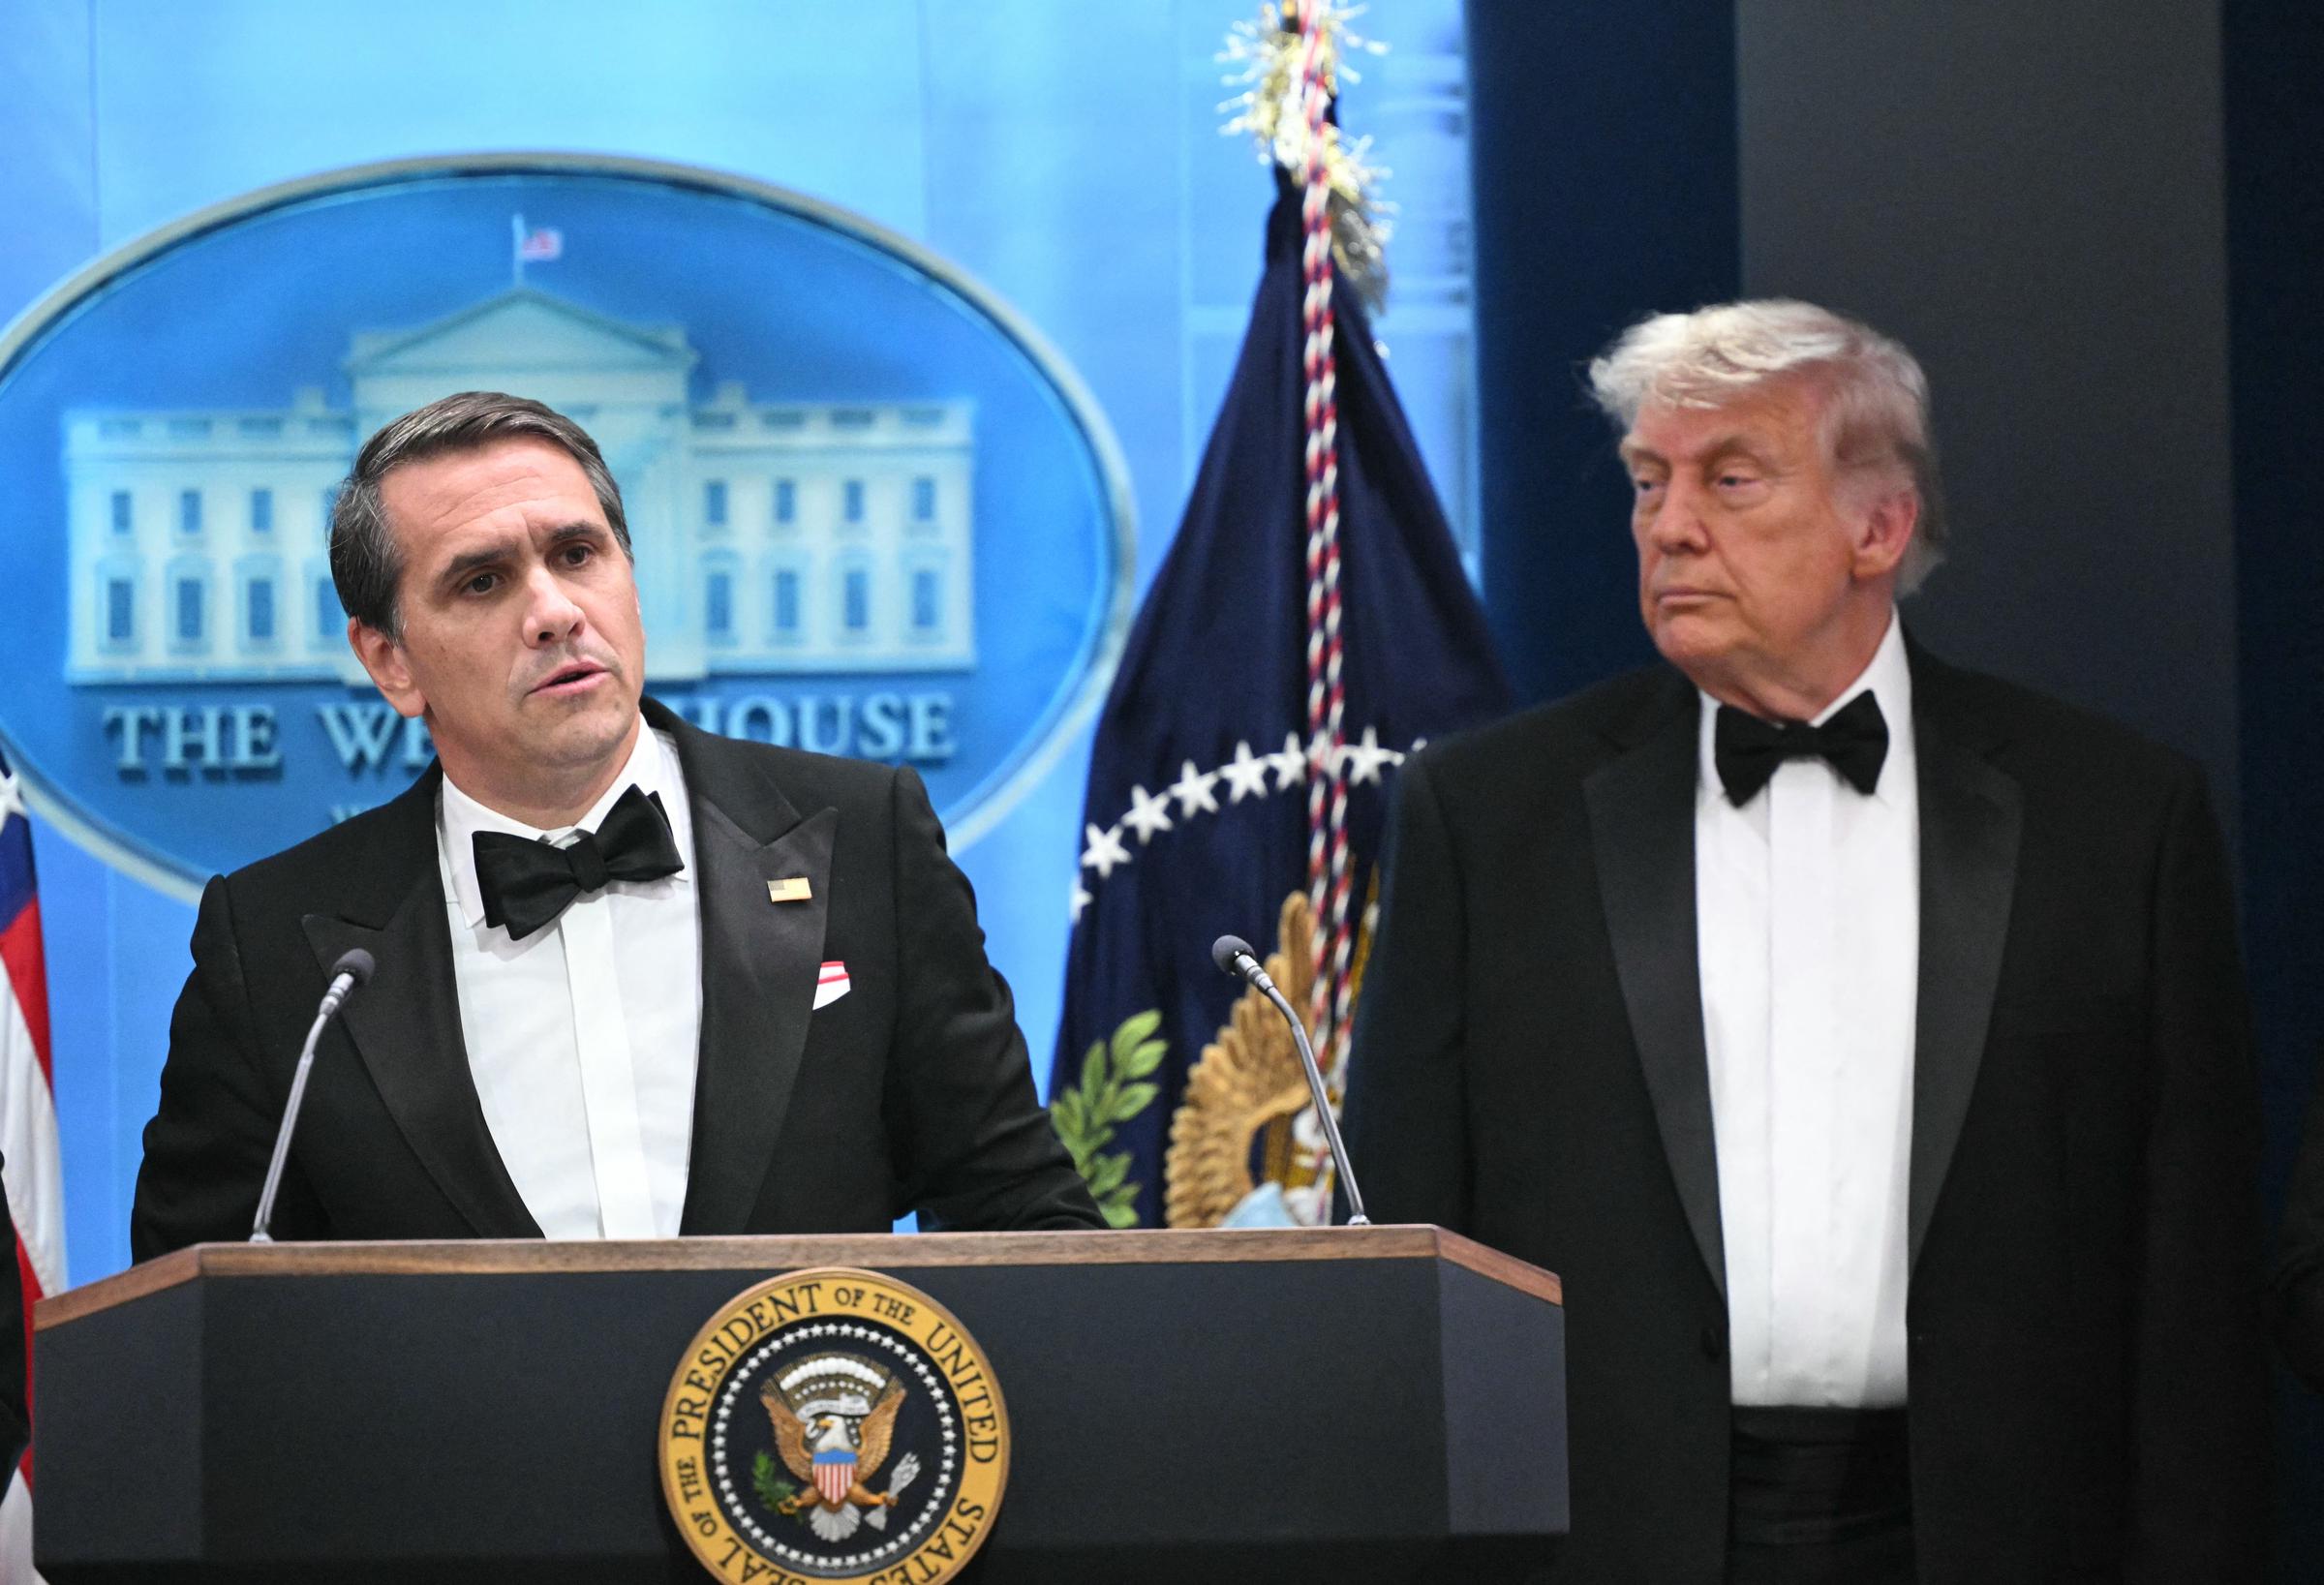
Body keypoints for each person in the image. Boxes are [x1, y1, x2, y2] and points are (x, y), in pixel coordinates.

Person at [1342, 301, 2267, 1580]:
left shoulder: (2116, 819)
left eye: (1733, 478)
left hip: (2002, 1534)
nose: (1670, 526)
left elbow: (2195, 1298)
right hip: (1606, 1541)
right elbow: (1405, 1253)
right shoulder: (1489, 816)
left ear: (1876, 528)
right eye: (1650, 480)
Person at [133, 392, 1099, 1254]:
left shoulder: (864, 840)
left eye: (576, 553)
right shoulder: (276, 949)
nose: (553, 611)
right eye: (482, 581)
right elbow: (195, 1321)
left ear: (629, 573)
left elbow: (1018, 1207)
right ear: (391, 662)